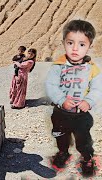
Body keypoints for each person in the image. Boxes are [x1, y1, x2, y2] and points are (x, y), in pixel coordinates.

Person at [45, 20, 102, 176]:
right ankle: (63, 152)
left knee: (83, 139)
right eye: (70, 43)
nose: (75, 48)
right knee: (60, 136)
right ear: (64, 43)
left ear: (90, 46)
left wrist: (88, 101)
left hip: (81, 115)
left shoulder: (92, 69)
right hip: (60, 113)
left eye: (82, 44)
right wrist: (61, 99)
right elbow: (51, 85)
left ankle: (87, 157)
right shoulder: (58, 66)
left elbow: (98, 88)